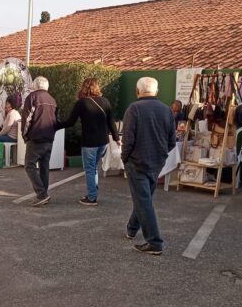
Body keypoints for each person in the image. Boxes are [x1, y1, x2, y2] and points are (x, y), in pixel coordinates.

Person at [121, 77, 175, 255]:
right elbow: (172, 141)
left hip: (137, 162)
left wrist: (125, 158)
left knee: (143, 200)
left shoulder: (134, 109)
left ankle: (154, 241)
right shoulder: (167, 110)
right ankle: (132, 228)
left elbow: (127, 139)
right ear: (156, 92)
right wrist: (162, 154)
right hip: (157, 161)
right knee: (144, 198)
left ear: (138, 92)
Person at [61, 78, 120, 206]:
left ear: (84, 88)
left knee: (90, 169)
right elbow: (111, 121)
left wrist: (56, 125)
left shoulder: (81, 103)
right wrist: (117, 138)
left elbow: (70, 122)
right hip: (103, 142)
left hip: (89, 142)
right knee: (94, 169)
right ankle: (93, 193)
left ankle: (92, 197)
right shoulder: (105, 101)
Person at [21, 76, 60, 207]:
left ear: (35, 85)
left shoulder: (32, 97)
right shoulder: (53, 100)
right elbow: (57, 121)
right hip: (49, 138)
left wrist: (25, 135)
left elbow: (26, 119)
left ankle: (42, 194)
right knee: (44, 167)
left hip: (36, 137)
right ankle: (43, 194)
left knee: (29, 165)